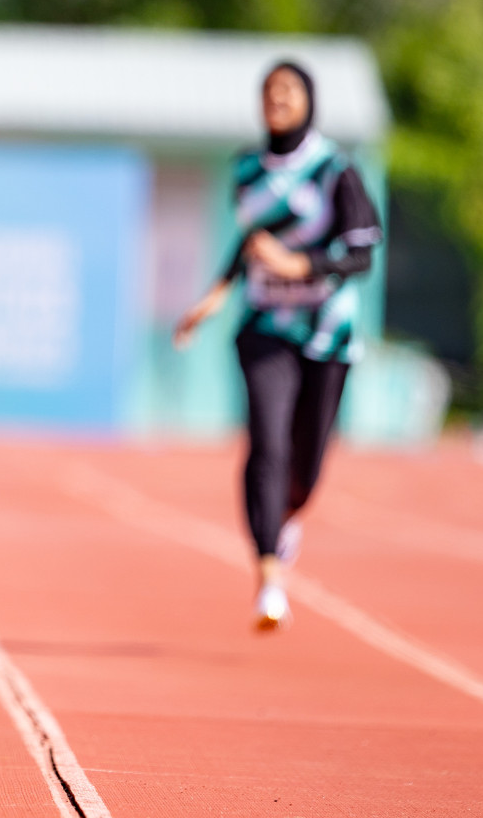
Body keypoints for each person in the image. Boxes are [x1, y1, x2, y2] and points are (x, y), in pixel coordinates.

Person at [175, 61, 382, 631]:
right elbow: (252, 240)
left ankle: (285, 519)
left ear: (309, 101)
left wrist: (303, 264)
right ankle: (269, 579)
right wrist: (215, 295)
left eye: (289, 91)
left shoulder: (336, 171)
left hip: (327, 333)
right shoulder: (246, 169)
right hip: (266, 328)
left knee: (305, 468)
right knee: (266, 443)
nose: (278, 100)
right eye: (269, 91)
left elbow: (361, 255)